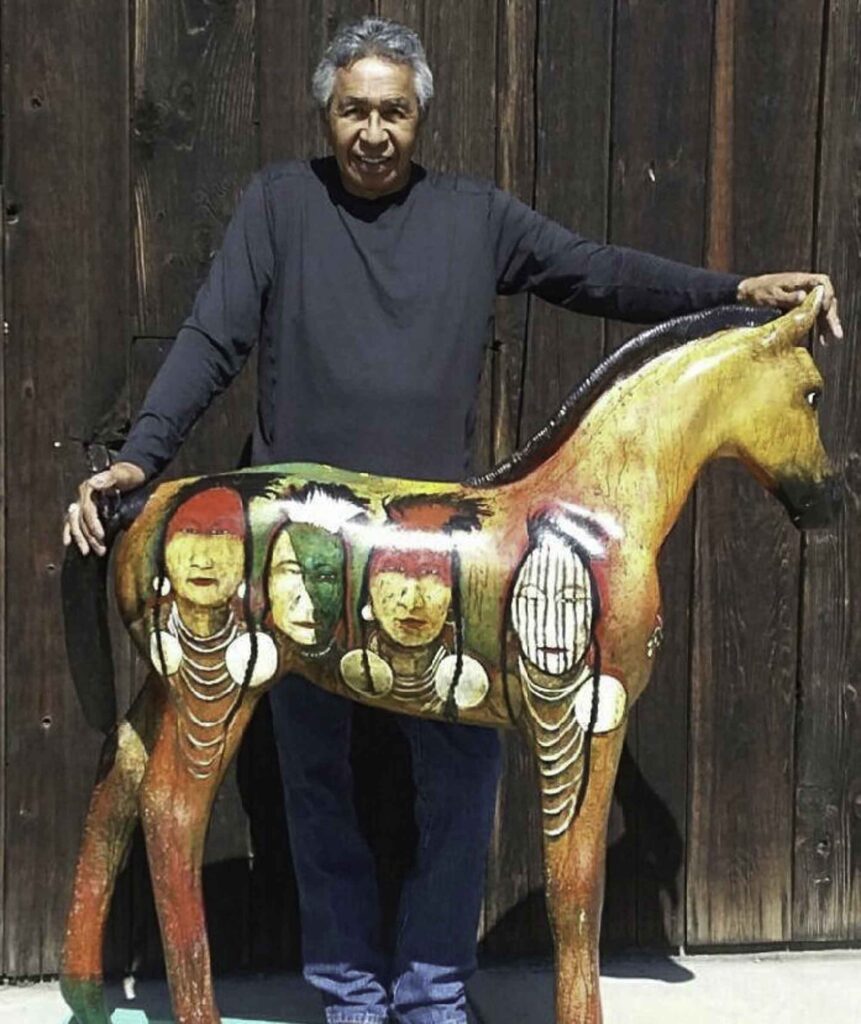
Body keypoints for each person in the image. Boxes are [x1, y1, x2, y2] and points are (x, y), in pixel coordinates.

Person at [62, 16, 842, 1024]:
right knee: (316, 785)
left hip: (452, 563)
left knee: (461, 783)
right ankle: (348, 993)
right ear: (326, 112)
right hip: (302, 559)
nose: (374, 130)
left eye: (392, 110)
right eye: (354, 110)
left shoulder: (476, 216)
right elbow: (211, 335)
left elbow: (596, 271)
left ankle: (431, 993)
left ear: (419, 113)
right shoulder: (278, 205)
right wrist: (141, 456)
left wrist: (732, 292)